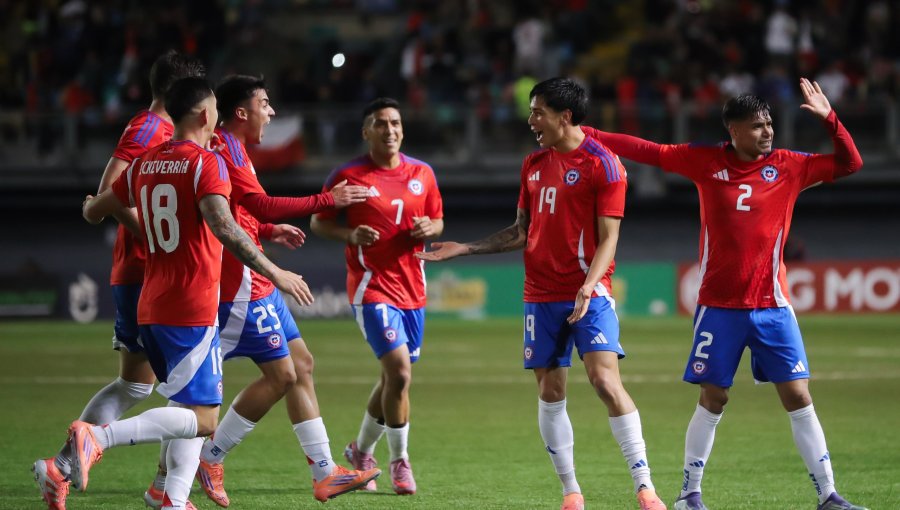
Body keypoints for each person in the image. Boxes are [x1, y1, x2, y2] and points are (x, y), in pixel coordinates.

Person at [588, 79, 867, 510]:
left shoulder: (790, 166)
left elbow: (850, 163)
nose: (767, 131)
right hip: (719, 308)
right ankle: (689, 494)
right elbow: (649, 150)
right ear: (733, 130)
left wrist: (830, 119)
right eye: (757, 125)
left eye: (769, 123)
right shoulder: (705, 161)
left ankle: (828, 495)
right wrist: (588, 134)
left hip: (773, 306)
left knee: (798, 396)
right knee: (713, 398)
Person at [416, 77, 666, 510]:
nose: (530, 120)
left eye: (537, 112)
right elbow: (521, 231)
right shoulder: (532, 164)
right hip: (540, 294)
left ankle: (645, 487)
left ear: (564, 116)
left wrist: (588, 286)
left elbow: (610, 238)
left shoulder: (604, 165)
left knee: (605, 381)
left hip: (589, 292)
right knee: (551, 392)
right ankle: (571, 492)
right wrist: (466, 248)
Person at [77, 77, 312, 510]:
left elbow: (97, 209)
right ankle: (98, 438)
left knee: (187, 404)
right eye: (215, 108)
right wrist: (275, 271)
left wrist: (91, 205)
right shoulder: (207, 163)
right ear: (205, 113)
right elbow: (226, 228)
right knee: (202, 418)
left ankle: (170, 496)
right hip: (191, 305)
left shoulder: (145, 163)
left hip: (150, 303)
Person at [181, 74, 378, 508]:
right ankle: (206, 458)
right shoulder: (224, 150)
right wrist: (328, 200)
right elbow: (258, 204)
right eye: (265, 104)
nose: (270, 112)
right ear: (241, 112)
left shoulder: (235, 149)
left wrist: (269, 230)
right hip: (240, 285)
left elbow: (239, 211)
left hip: (257, 281)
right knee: (277, 376)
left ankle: (325, 474)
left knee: (301, 365)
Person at [32, 50, 205, 510]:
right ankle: (169, 494)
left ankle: (62, 467)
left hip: (149, 271)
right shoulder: (149, 129)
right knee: (193, 394)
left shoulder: (159, 130)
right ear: (179, 92)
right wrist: (156, 236)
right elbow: (110, 188)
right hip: (148, 270)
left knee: (138, 386)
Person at [310, 97, 444, 496]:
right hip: (372, 287)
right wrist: (349, 234)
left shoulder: (423, 173)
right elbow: (319, 222)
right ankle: (400, 461)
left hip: (413, 289)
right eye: (381, 123)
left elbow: (438, 220)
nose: (390, 130)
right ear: (366, 131)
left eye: (396, 123)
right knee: (400, 373)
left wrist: (430, 228)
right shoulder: (348, 175)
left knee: (392, 378)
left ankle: (360, 451)